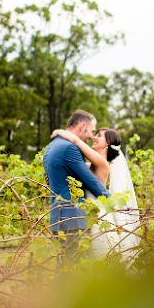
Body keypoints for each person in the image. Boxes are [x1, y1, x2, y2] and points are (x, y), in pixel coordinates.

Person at [50, 126, 141, 264]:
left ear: (107, 144)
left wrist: (59, 132)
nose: (94, 137)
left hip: (98, 217)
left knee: (99, 258)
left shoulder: (103, 164)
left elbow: (76, 141)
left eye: (99, 135)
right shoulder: (87, 167)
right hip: (86, 215)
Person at [43, 110, 111, 266]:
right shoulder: (69, 148)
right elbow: (91, 182)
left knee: (65, 268)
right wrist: (112, 202)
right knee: (75, 272)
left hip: (58, 219)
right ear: (82, 126)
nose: (92, 137)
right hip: (73, 220)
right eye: (92, 131)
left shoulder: (51, 146)